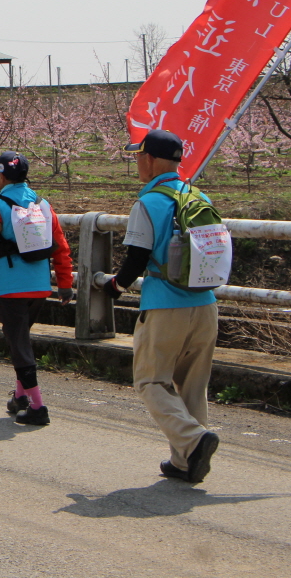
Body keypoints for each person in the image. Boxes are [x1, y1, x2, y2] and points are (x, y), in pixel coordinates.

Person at [105, 129, 220, 484]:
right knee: (192, 385)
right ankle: (185, 461)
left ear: (150, 159)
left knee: (150, 380)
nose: (137, 163)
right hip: (205, 304)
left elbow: (137, 257)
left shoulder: (149, 202)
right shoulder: (197, 195)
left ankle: (194, 439)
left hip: (165, 305)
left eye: (139, 156)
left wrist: (116, 286)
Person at [0, 151, 73, 426]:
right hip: (38, 286)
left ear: (1, 175)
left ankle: (38, 405)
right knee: (20, 338)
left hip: (9, 286)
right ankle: (20, 397)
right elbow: (60, 247)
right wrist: (65, 284)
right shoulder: (43, 205)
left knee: (19, 345)